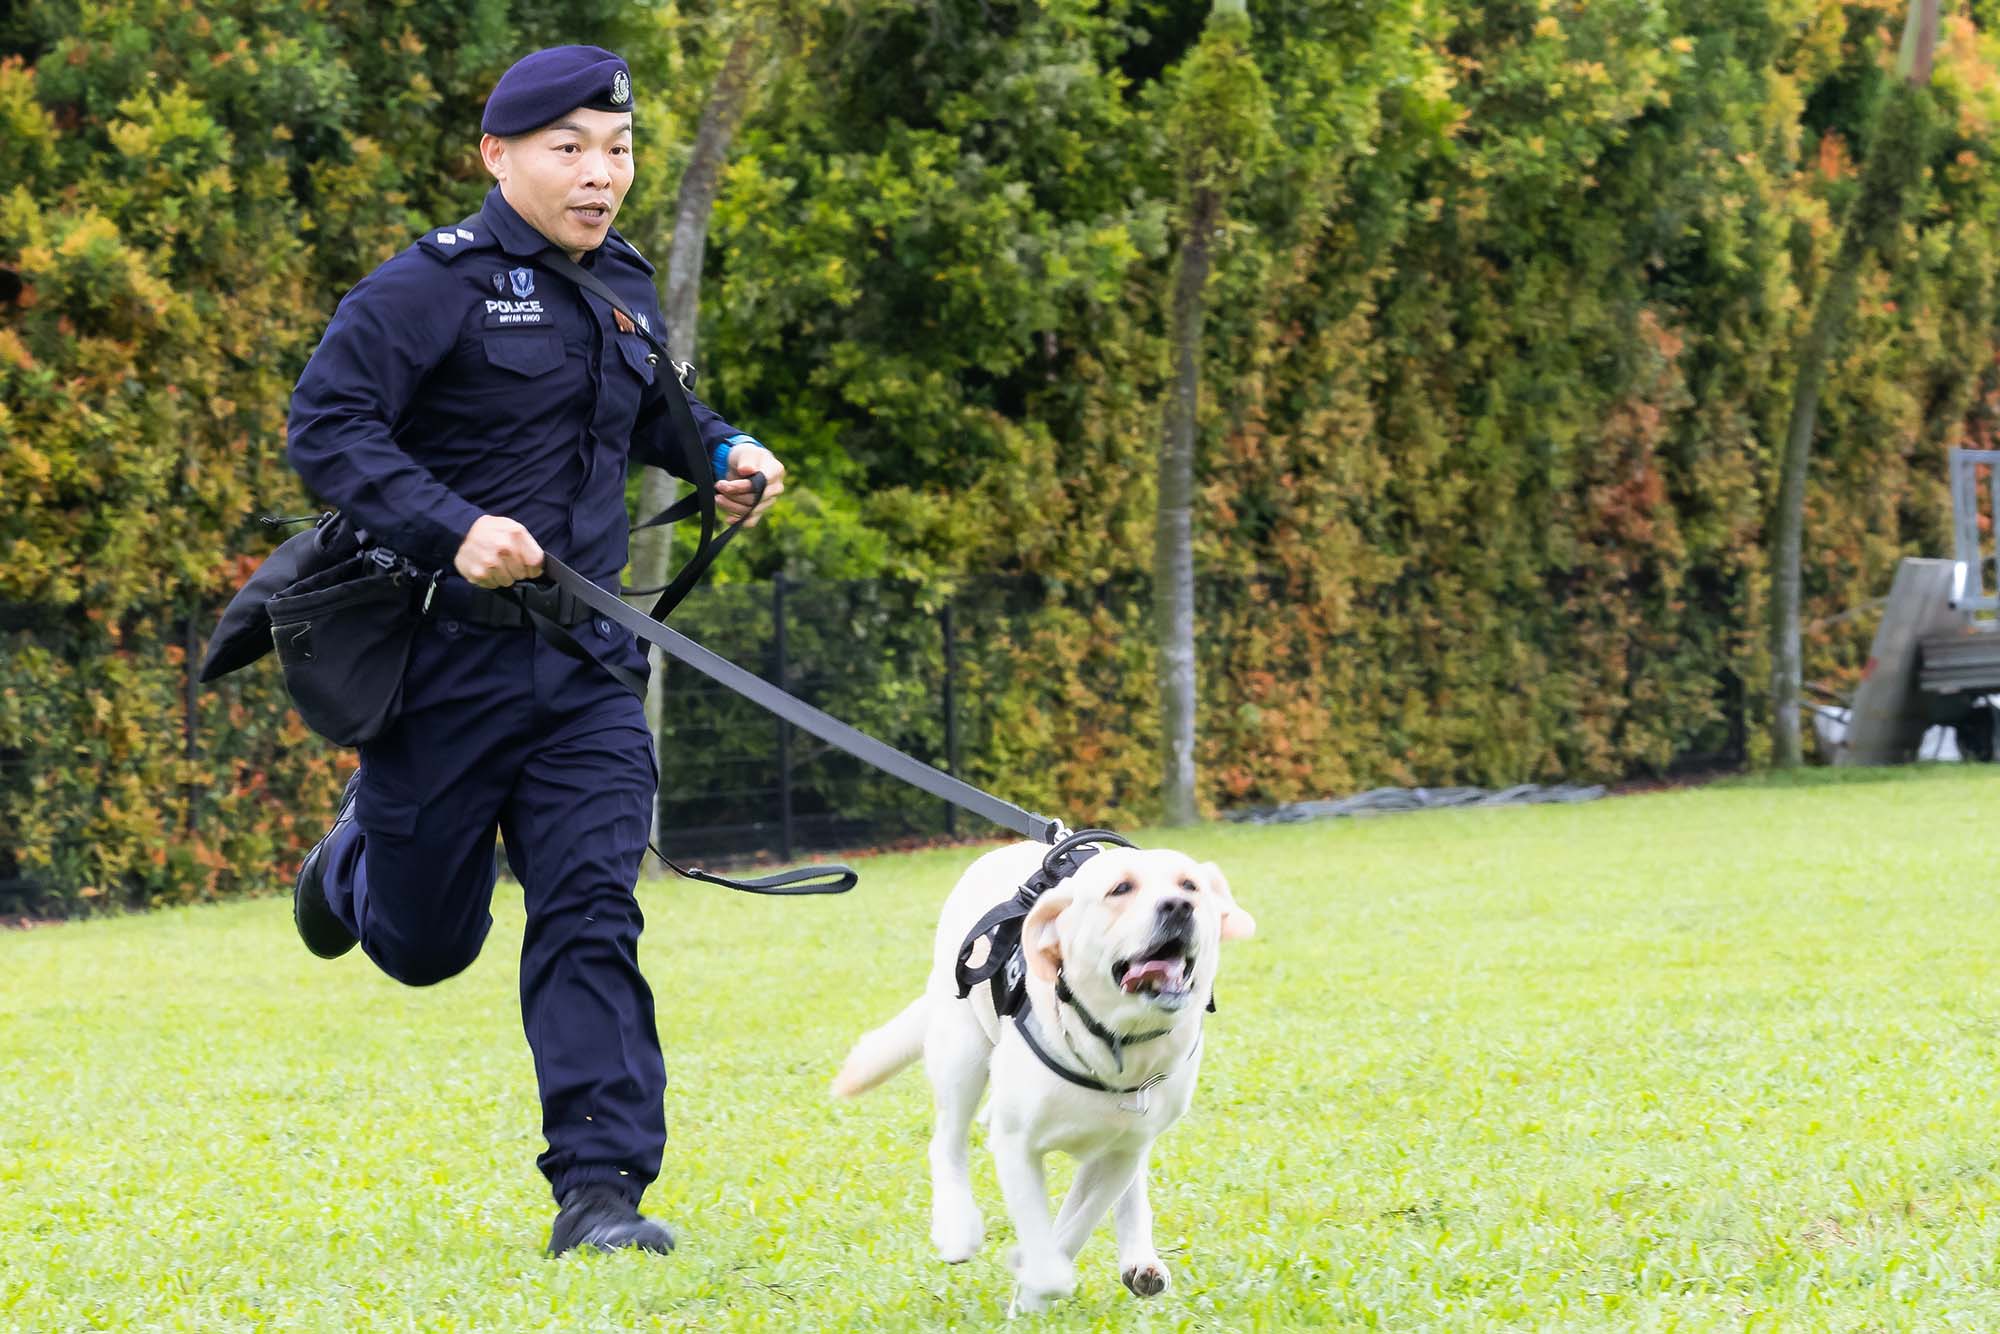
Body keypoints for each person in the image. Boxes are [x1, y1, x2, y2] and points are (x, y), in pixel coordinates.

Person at [282, 44, 785, 1258]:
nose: (599, 173)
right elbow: (326, 427)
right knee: (424, 946)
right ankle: (352, 864)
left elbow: (656, 406)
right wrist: (454, 525)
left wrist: (724, 453)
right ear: (497, 156)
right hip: (441, 668)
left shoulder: (621, 283)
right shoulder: (426, 286)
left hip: (586, 670)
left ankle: (599, 1192)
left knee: (591, 908)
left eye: (617, 149)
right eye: (569, 149)